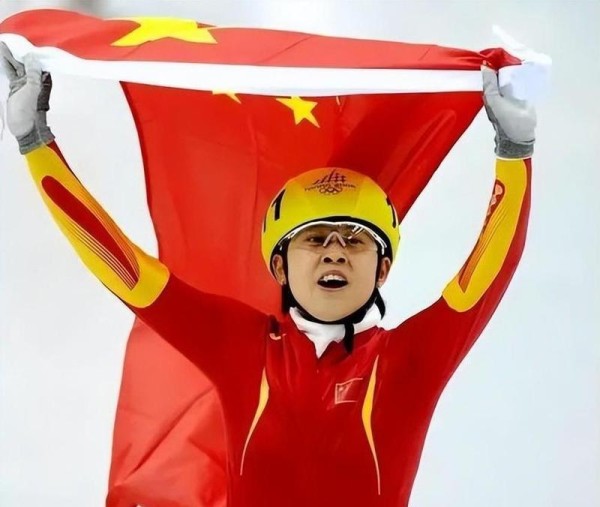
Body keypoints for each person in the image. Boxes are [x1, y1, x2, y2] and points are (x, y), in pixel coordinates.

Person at [0, 42, 535, 507]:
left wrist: (515, 151)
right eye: (315, 240)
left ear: (384, 268)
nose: (335, 254)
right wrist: (34, 140)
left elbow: (486, 273)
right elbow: (127, 272)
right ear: (279, 264)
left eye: (354, 240)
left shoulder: (410, 361)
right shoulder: (240, 348)